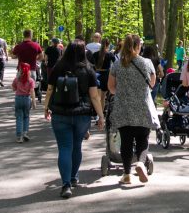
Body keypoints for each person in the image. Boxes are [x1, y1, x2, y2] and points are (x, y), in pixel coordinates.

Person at [45, 39, 104, 199]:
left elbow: (50, 90)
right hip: (82, 114)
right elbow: (94, 96)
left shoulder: (58, 67)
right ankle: (73, 177)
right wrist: (101, 115)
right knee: (76, 146)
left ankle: (66, 185)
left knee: (64, 148)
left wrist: (46, 107)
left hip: (60, 114)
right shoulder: (88, 69)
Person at [108, 34, 156, 186]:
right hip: (142, 107)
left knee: (126, 142)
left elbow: (110, 87)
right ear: (137, 46)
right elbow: (152, 83)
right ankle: (141, 163)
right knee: (143, 139)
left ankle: (127, 174)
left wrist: (122, 92)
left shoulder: (117, 64)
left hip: (123, 108)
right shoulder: (146, 63)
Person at [13, 29, 43, 102]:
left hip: (21, 70)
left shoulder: (18, 46)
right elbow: (41, 56)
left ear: (23, 35)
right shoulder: (36, 45)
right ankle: (29, 101)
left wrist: (19, 56)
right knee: (31, 87)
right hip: (32, 69)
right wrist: (35, 58)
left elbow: (13, 56)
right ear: (31, 35)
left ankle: (21, 101)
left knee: (20, 87)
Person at [13, 62, 37, 142]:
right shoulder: (31, 81)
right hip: (27, 99)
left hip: (18, 99)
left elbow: (13, 88)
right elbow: (32, 92)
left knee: (19, 117)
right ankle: (25, 133)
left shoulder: (17, 79)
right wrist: (34, 102)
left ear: (20, 70)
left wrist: (18, 88)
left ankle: (19, 137)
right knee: (26, 116)